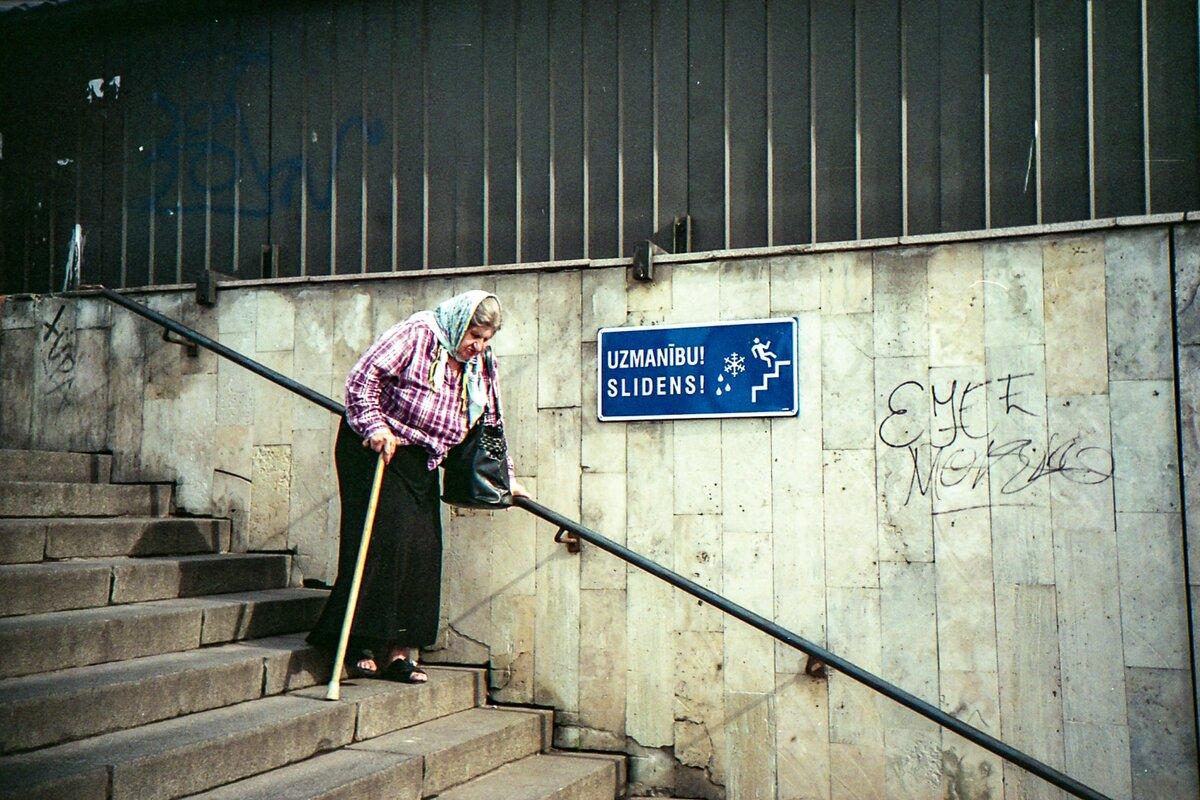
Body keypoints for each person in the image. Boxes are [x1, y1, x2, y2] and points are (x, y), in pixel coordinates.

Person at [307, 289, 529, 683]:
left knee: (424, 549)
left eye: (486, 340)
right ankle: (352, 641)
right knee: (383, 541)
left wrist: (505, 477)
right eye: (474, 336)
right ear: (460, 323)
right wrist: (376, 427)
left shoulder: (481, 361)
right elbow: (363, 377)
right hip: (376, 448)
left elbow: (491, 418)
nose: (478, 346)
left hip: (422, 457)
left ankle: (398, 650)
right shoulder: (418, 333)